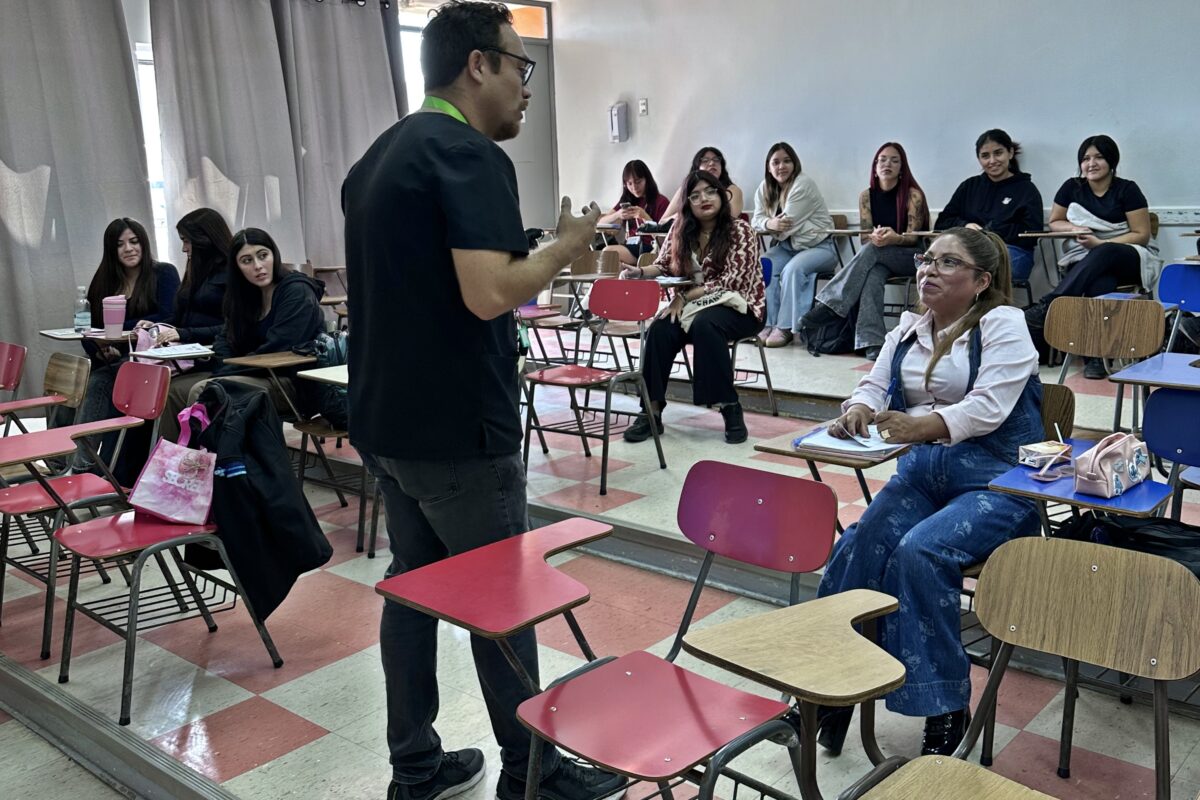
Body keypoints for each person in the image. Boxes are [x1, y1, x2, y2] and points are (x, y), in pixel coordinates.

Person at [340, 5, 623, 800]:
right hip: (459, 428)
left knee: (414, 585)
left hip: (387, 420)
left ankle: (415, 767)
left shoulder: (377, 157)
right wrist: (567, 247)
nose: (527, 88)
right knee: (504, 597)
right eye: (519, 66)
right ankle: (535, 774)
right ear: (477, 65)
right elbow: (489, 292)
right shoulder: (468, 154)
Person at [814, 227, 1042, 758]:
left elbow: (987, 408)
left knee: (920, 552)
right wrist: (859, 409)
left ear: (981, 280)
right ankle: (833, 687)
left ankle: (945, 707)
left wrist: (920, 426)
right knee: (860, 543)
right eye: (926, 259)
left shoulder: (1003, 324)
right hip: (923, 476)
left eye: (947, 262)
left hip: (996, 481)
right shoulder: (908, 328)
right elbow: (874, 385)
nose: (928, 270)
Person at [620, 169, 765, 445]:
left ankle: (729, 406)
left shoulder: (740, 230)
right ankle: (650, 411)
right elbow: (664, 265)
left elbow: (731, 282)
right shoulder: (680, 228)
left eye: (710, 192)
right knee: (660, 329)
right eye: (695, 196)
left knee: (706, 324)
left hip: (741, 307)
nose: (704, 199)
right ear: (687, 203)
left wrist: (685, 298)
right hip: (690, 308)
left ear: (721, 195)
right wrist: (639, 272)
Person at [159, 228, 325, 442]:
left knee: (206, 390)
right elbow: (224, 339)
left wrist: (227, 370)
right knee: (172, 391)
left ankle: (212, 461)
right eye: (247, 260)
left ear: (274, 255)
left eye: (263, 255)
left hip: (292, 382)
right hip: (251, 374)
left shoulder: (297, 292)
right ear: (237, 267)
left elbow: (278, 348)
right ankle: (173, 461)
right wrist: (225, 368)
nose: (257, 266)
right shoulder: (245, 296)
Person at [1023, 135, 1160, 379]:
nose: (1091, 163)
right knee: (1100, 282)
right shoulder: (1072, 187)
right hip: (1088, 261)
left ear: (1112, 161)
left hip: (1128, 256)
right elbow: (1055, 222)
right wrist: (1074, 228)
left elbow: (1141, 235)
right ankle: (1096, 358)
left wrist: (1101, 243)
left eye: (1099, 157)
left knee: (1105, 251)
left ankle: (1049, 306)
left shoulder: (1127, 189)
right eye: (1086, 159)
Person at [52, 217, 179, 470]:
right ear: (111, 249)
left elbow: (170, 317)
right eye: (120, 244)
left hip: (149, 359)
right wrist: (100, 351)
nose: (129, 249)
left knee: (100, 382)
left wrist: (121, 331)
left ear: (144, 243)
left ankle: (80, 467)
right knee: (73, 376)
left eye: (134, 241)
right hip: (113, 359)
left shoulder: (163, 273)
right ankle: (57, 461)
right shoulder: (104, 281)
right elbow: (89, 330)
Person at [801, 143, 930, 360]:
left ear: (902, 168)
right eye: (882, 160)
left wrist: (894, 238)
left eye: (895, 160)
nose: (888, 164)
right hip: (879, 257)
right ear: (875, 167)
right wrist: (876, 236)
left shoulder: (912, 195)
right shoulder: (866, 197)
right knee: (872, 274)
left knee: (873, 251)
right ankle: (872, 342)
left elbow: (913, 238)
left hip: (912, 257)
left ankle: (830, 305)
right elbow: (864, 237)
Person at [751, 142, 837, 346]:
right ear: (768, 167)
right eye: (776, 162)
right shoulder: (764, 188)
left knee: (792, 269)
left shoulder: (803, 184)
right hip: (788, 248)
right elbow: (756, 221)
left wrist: (772, 225)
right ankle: (766, 323)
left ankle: (785, 327)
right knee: (764, 265)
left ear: (795, 163)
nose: (781, 166)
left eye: (787, 161)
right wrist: (769, 223)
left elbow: (786, 227)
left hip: (821, 248)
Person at [933, 129, 1043, 282]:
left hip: (1012, 254)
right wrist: (965, 226)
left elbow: (1032, 234)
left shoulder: (1027, 190)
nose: (992, 161)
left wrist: (991, 233)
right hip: (967, 252)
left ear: (1010, 153)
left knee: (975, 268)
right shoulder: (969, 186)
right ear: (979, 159)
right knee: (941, 263)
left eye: (998, 153)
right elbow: (942, 223)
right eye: (985, 156)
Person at [137, 207, 233, 347]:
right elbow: (182, 318)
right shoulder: (197, 271)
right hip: (190, 346)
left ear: (203, 241)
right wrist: (156, 326)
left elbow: (235, 327)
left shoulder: (232, 274)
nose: (184, 248)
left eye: (187, 241)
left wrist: (185, 333)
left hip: (213, 349)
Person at [598, 159, 670, 265]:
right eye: (630, 183)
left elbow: (664, 238)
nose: (634, 187)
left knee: (608, 252)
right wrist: (617, 214)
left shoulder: (661, 201)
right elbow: (600, 223)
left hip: (651, 248)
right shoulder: (627, 200)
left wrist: (644, 216)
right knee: (616, 265)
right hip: (631, 245)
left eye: (638, 182)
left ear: (647, 180)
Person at [659, 146, 745, 222]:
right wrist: (683, 215)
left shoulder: (732, 190)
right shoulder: (685, 189)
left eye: (716, 160)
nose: (712, 163)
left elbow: (727, 219)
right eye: (705, 160)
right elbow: (663, 222)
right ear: (697, 167)